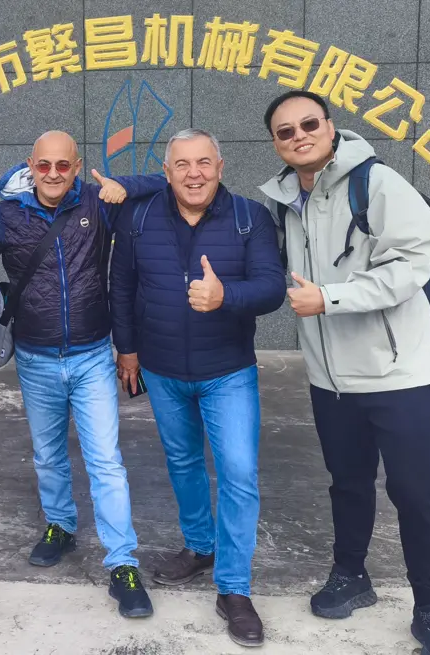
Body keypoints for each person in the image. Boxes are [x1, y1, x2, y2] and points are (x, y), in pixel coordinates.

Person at [258, 90, 430, 655]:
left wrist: (330, 298)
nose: (299, 136)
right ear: (275, 143)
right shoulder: (284, 202)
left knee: (416, 494)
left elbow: (410, 268)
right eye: (285, 131)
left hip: (398, 376)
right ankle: (351, 575)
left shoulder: (378, 184)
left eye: (309, 124)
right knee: (347, 485)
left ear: (330, 127)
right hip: (330, 380)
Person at [0, 130, 169, 619]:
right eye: (44, 165)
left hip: (91, 357)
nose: (54, 174)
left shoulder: (97, 204)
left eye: (64, 165)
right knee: (49, 455)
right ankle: (60, 526)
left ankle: (122, 563)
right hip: (35, 358)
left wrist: (123, 185)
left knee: (106, 462)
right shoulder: (10, 214)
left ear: (78, 166)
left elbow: (166, 182)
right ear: (30, 164)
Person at [110, 128, 285, 647]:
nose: (194, 174)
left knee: (238, 473)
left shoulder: (250, 217)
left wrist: (225, 295)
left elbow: (272, 287)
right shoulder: (139, 217)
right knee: (183, 463)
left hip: (228, 370)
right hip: (162, 369)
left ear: (220, 167)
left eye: (204, 162)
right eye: (182, 164)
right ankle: (200, 546)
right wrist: (127, 349)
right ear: (165, 172)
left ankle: (233, 588)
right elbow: (122, 285)